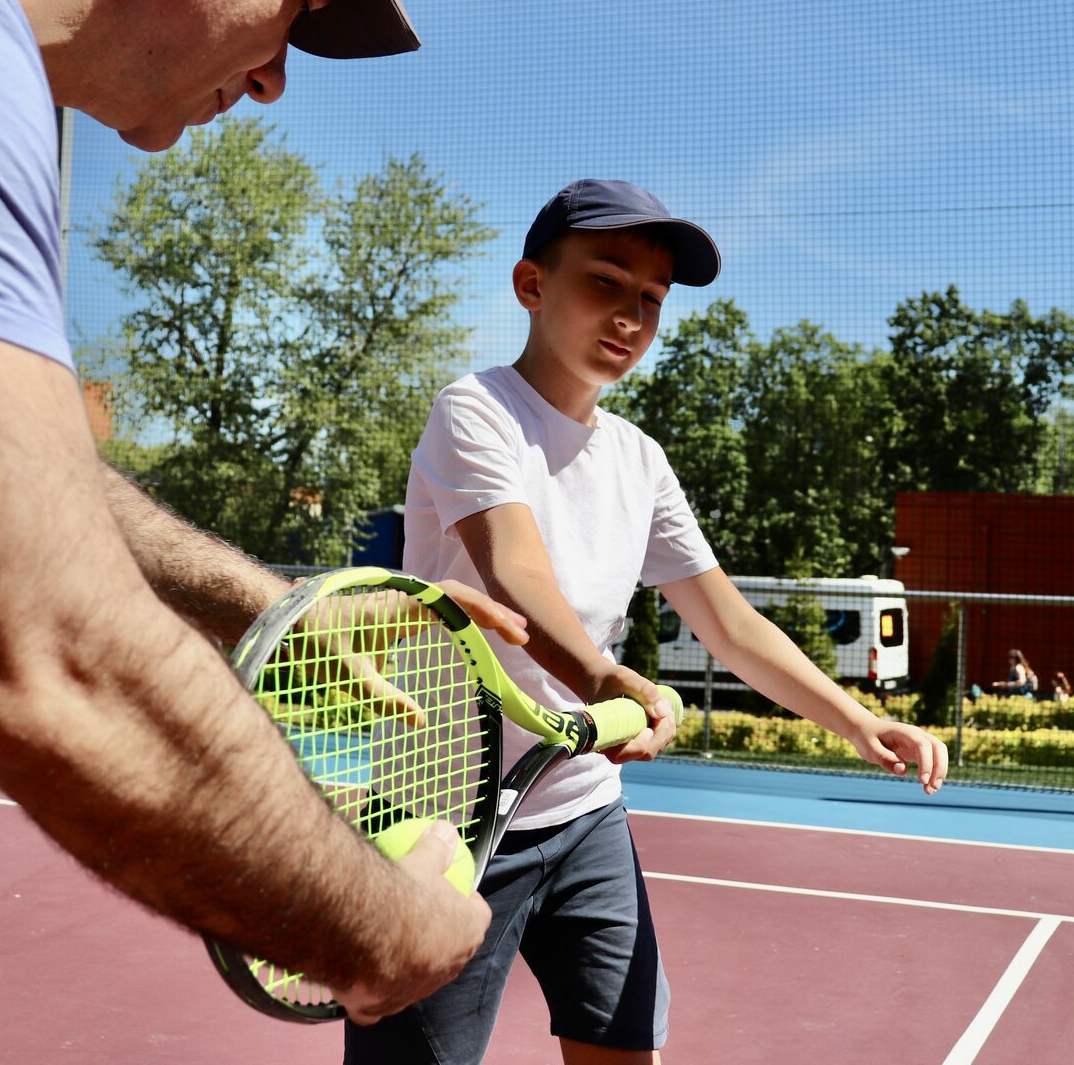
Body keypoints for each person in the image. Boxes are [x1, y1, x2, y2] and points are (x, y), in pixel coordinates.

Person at [0, 0, 509, 1055]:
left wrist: (272, 606)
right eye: (296, 8)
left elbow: (16, 473)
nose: (272, 83)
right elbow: (59, 663)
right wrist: (391, 930)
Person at [350, 179, 951, 1064]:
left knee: (626, 1054)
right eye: (605, 282)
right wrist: (601, 680)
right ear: (532, 286)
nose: (631, 315)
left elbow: (730, 624)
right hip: (446, 819)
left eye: (651, 300)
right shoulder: (475, 411)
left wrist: (858, 720)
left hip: (584, 814)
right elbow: (514, 570)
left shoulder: (640, 459)